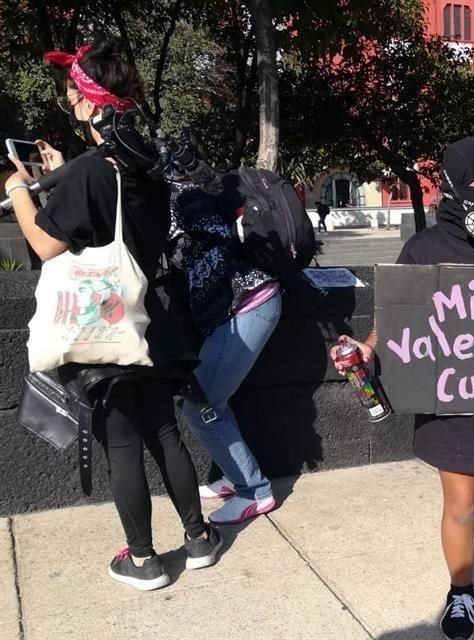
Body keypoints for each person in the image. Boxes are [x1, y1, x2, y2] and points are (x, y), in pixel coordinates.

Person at [3, 35, 221, 591]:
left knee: (122, 442)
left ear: (90, 101)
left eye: (73, 91)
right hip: (152, 321)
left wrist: (21, 189)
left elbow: (47, 244)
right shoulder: (141, 167)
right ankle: (198, 539)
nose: (69, 101)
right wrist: (64, 170)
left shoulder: (90, 173)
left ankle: (144, 560)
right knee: (165, 432)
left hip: (102, 327)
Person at [329, 137, 474, 640]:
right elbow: (395, 315)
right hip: (448, 402)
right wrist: (367, 349)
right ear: (454, 190)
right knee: (461, 504)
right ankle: (459, 592)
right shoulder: (424, 248)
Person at [168, 176, 281, 524]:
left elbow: (217, 245)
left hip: (248, 305)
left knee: (201, 403)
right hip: (243, 306)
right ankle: (236, 477)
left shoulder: (184, 195)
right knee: (213, 401)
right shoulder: (180, 193)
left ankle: (255, 492)